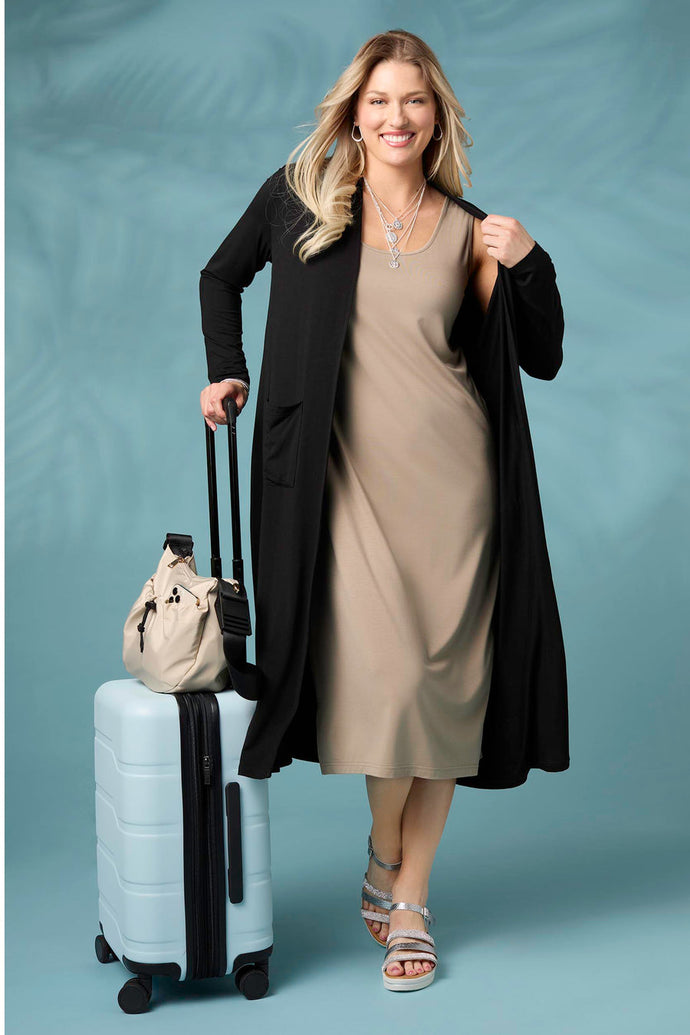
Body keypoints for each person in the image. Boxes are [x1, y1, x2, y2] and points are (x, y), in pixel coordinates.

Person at [199, 29, 565, 993]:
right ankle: (384, 843)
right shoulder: (301, 201)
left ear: (436, 116)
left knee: (448, 695)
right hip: (344, 489)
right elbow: (219, 275)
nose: (396, 117)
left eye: (414, 100)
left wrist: (530, 263)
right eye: (379, 101)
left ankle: (411, 899)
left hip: (457, 493)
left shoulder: (472, 229)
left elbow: (541, 356)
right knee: (393, 685)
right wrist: (228, 372)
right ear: (353, 115)